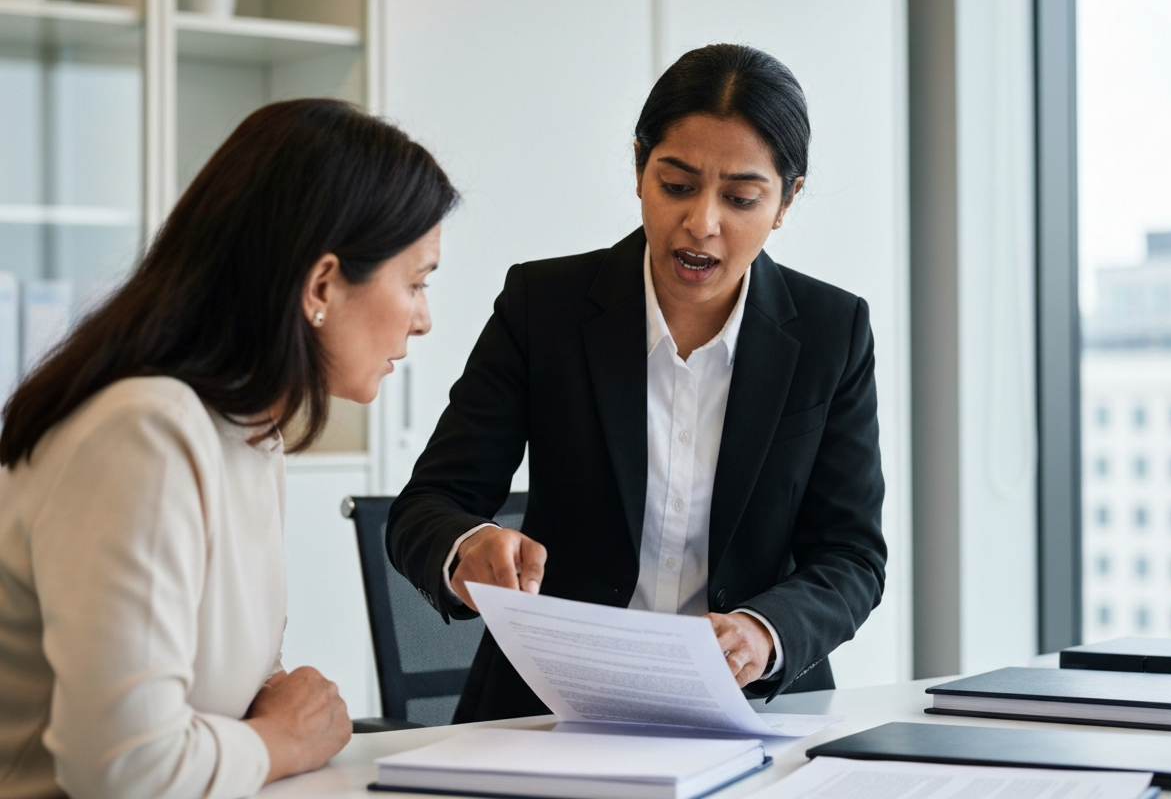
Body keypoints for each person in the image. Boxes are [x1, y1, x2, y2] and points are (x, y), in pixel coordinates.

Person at [386, 44, 887, 724]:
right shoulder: (544, 307)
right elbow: (427, 504)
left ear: (785, 201)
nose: (702, 223)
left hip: (752, 714)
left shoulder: (832, 332)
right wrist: (465, 545)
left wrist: (764, 632)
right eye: (676, 185)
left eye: (741, 198)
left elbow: (851, 556)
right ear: (639, 169)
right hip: (548, 708)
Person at [0, 99, 458, 799]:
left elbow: (222, 696)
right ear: (322, 285)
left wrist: (273, 712)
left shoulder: (250, 432)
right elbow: (123, 768)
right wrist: (286, 738)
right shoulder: (145, 434)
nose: (424, 319)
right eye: (417, 283)